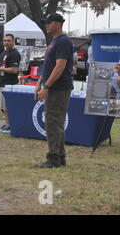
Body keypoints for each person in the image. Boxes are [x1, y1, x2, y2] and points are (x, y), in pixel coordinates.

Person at [35, 13, 74, 169]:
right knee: (54, 121)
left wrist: (46, 86)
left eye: (49, 23)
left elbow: (60, 67)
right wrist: (39, 82)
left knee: (53, 122)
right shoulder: (54, 41)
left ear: (58, 24)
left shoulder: (64, 41)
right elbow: (48, 65)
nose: (46, 25)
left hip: (59, 88)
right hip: (53, 86)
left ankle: (53, 158)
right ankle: (60, 156)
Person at [0, 34, 21, 133]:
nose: (6, 42)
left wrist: (0, 69)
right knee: (3, 107)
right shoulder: (3, 52)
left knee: (9, 106)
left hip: (10, 84)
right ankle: (6, 124)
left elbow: (14, 70)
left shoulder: (15, 53)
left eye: (9, 41)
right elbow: (2, 66)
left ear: (13, 42)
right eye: (5, 41)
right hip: (2, 82)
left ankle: (10, 125)